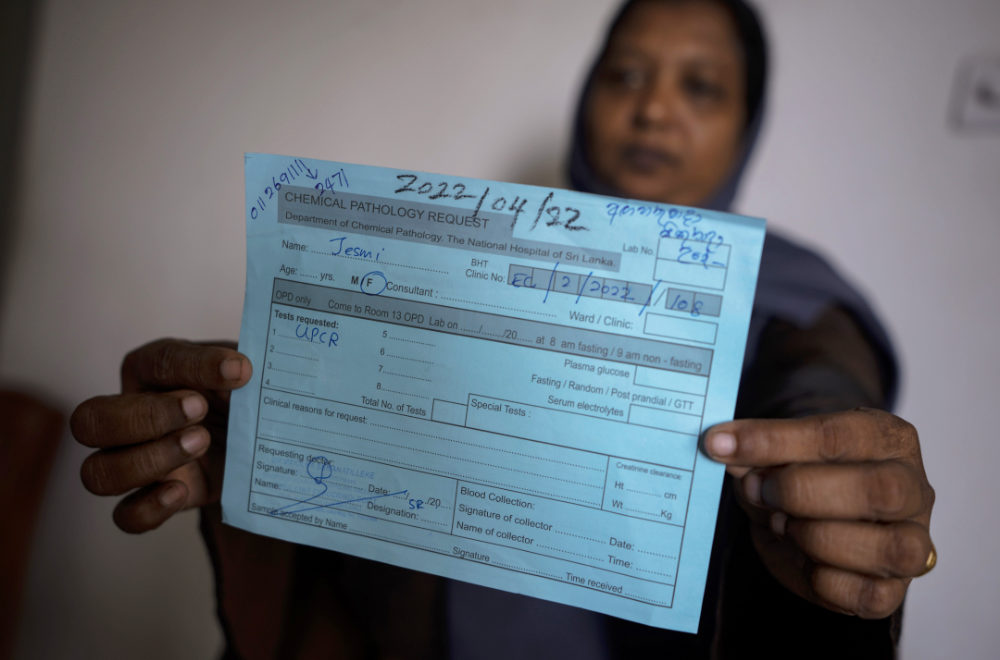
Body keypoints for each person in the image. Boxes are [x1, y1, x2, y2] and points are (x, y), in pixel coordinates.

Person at [70, 0, 935, 657]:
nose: (652, 110)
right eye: (624, 76)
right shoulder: (461, 265)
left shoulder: (795, 299)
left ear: (746, 124)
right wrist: (265, 437)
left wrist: (838, 471)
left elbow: (819, 385)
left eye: (699, 86)